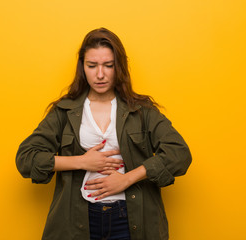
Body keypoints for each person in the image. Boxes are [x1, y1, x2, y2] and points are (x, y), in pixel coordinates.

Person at [16, 27, 192, 240]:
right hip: (78, 221)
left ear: (119, 67)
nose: (100, 74)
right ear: (83, 67)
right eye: (92, 66)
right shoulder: (64, 111)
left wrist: (127, 179)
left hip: (129, 219)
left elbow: (179, 153)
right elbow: (26, 159)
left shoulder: (142, 110)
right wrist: (82, 161)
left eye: (108, 66)